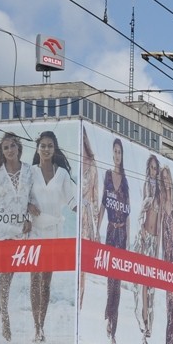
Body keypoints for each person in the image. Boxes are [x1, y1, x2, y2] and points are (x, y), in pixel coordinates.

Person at [0, 132, 33, 343]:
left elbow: (33, 196)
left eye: (12, 146)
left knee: (7, 279)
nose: (10, 150)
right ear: (2, 152)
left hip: (20, 231)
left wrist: (30, 214)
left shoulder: (29, 171)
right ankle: (4, 321)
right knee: (5, 277)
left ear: (18, 148)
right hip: (2, 231)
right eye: (6, 148)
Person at [28, 130, 77, 344]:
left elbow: (72, 200)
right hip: (35, 230)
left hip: (55, 231)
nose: (46, 149)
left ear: (54, 149)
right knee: (34, 278)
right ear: (38, 148)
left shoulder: (63, 175)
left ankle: (42, 324)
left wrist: (87, 216)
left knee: (46, 281)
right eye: (43, 145)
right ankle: (36, 326)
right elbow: (19, 198)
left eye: (50, 145)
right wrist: (28, 206)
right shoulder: (29, 172)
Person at [102, 137, 131, 344]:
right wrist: (96, 226)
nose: (117, 155)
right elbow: (104, 203)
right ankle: (108, 316)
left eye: (120, 152)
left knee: (118, 284)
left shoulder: (126, 179)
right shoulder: (107, 176)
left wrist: (128, 242)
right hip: (110, 231)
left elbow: (128, 212)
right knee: (109, 281)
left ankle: (113, 325)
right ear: (112, 153)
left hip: (122, 235)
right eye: (115, 151)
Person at [132, 155, 162, 344]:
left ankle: (149, 323)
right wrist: (142, 232)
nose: (153, 171)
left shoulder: (159, 194)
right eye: (151, 168)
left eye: (156, 169)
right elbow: (140, 214)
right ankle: (144, 324)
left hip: (153, 241)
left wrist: (157, 245)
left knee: (151, 286)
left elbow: (158, 222)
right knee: (143, 283)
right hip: (144, 239)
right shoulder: (145, 187)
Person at [78, 130, 102, 309]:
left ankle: (79, 301)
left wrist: (96, 229)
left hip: (85, 220)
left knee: (82, 265)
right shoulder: (69, 159)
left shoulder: (92, 166)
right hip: (70, 217)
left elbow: (95, 200)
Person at [159, 166, 173, 344]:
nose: (166, 181)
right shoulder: (161, 203)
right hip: (165, 256)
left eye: (167, 177)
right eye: (163, 178)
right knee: (168, 302)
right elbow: (159, 231)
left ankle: (171, 340)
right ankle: (171, 339)